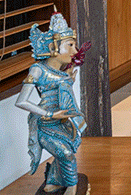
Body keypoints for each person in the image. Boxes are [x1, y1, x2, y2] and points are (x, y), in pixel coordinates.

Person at [15, 10, 87, 195]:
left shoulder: (61, 71)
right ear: (54, 47)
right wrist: (50, 114)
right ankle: (72, 186)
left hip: (62, 122)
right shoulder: (38, 70)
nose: (75, 51)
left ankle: (54, 180)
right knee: (65, 154)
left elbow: (59, 90)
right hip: (46, 124)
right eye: (70, 45)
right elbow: (21, 101)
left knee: (66, 151)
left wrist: (69, 81)